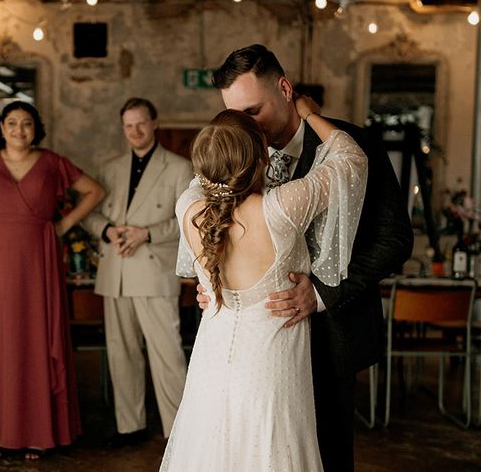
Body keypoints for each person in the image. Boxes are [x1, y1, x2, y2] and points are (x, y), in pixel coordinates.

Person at [182, 44, 413, 471]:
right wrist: (214, 278)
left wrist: (322, 293)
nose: (243, 125)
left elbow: (395, 239)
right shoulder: (233, 149)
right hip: (256, 348)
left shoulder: (354, 142)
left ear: (284, 89)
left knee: (322, 455)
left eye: (252, 111)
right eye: (234, 115)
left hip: (331, 332)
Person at [162, 103, 367, 470]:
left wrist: (226, 133)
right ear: (261, 157)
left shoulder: (188, 207)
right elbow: (351, 159)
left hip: (212, 360)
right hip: (270, 367)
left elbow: (206, 181)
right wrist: (310, 113)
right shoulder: (282, 208)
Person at [0, 101, 104, 461]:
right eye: (12, 123)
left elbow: (95, 191)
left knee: (36, 338)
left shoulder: (53, 161)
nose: (19, 130)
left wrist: (63, 224)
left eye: (26, 123)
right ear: (1, 127)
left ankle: (39, 432)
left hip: (39, 256)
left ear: (35, 128)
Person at [83, 98, 191, 446]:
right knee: (121, 353)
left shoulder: (178, 167)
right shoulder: (109, 168)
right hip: (115, 272)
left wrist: (148, 234)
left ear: (155, 122)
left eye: (141, 123)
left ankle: (178, 433)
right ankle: (130, 427)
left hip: (155, 271)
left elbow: (190, 219)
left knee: (168, 355)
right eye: (128, 125)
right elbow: (89, 213)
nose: (135, 131)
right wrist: (108, 231)